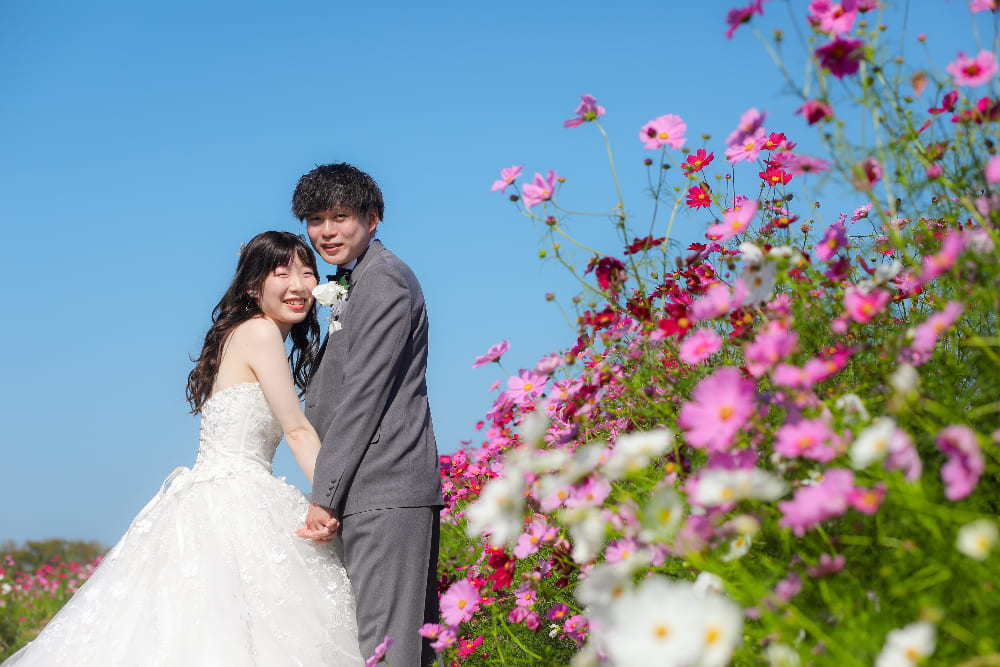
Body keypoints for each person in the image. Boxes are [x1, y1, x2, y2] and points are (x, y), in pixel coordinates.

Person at [2, 231, 364, 666]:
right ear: (253, 286)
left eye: (307, 273)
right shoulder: (260, 332)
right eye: (281, 273)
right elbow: (298, 430)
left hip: (210, 496)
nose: (298, 285)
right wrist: (331, 499)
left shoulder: (240, 333)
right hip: (237, 499)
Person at [292, 164, 443, 666]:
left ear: (372, 218)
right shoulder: (356, 281)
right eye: (316, 220)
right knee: (400, 649)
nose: (326, 231)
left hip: (384, 485)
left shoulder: (383, 280)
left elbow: (363, 397)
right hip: (371, 490)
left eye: (340, 217)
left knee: (385, 649)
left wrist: (324, 495)